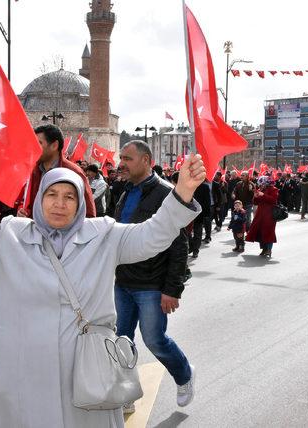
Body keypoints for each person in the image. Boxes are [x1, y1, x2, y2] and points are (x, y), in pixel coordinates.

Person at [0, 150, 205, 428]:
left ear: (80, 202)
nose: (60, 204)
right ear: (39, 198)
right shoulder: (7, 235)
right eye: (52, 195)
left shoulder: (105, 235)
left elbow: (153, 235)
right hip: (20, 372)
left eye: (70, 196)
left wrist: (181, 194)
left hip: (84, 375)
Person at [113, 141, 194, 413]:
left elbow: (179, 246)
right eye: (121, 157)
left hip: (151, 284)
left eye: (128, 158)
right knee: (121, 340)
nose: (121, 162)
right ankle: (126, 393)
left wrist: (172, 289)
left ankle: (184, 375)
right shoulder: (124, 191)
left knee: (155, 340)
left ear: (146, 160)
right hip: (122, 282)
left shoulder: (166, 194)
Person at [19, 124, 96, 218]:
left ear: (54, 145)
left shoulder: (73, 173)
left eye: (39, 143)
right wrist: (24, 213)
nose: (33, 148)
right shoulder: (34, 172)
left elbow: (89, 212)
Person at [245, 176, 279, 257]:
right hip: (260, 214)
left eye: (262, 184)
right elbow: (256, 202)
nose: (261, 186)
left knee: (269, 232)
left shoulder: (273, 189)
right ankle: (264, 249)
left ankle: (269, 249)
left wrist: (263, 195)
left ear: (267, 183)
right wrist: (255, 197)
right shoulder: (261, 190)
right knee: (260, 232)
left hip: (270, 215)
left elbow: (273, 200)